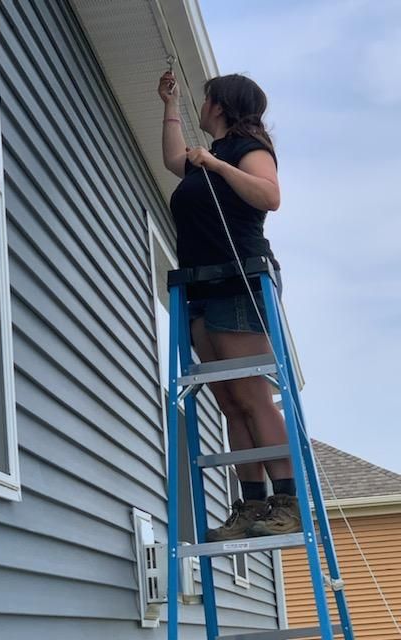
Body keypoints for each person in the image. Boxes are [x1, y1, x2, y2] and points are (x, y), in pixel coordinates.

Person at [158, 71, 301, 540]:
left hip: (239, 281)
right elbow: (172, 160)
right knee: (229, 402)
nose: (202, 105)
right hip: (201, 289)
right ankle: (252, 507)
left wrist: (217, 167)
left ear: (220, 105)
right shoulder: (209, 156)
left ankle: (289, 502)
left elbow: (270, 196)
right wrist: (170, 105)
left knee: (251, 395)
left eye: (204, 100)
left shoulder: (246, 149)